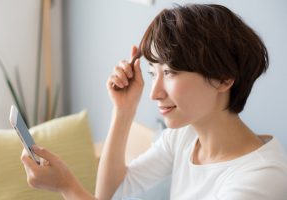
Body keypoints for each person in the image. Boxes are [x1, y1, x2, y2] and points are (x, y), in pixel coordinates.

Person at [21, 3, 287, 200]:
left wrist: (68, 186)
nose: (154, 92)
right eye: (152, 73)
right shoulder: (184, 137)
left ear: (223, 79)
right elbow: (111, 192)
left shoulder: (261, 179)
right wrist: (124, 110)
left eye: (170, 72)